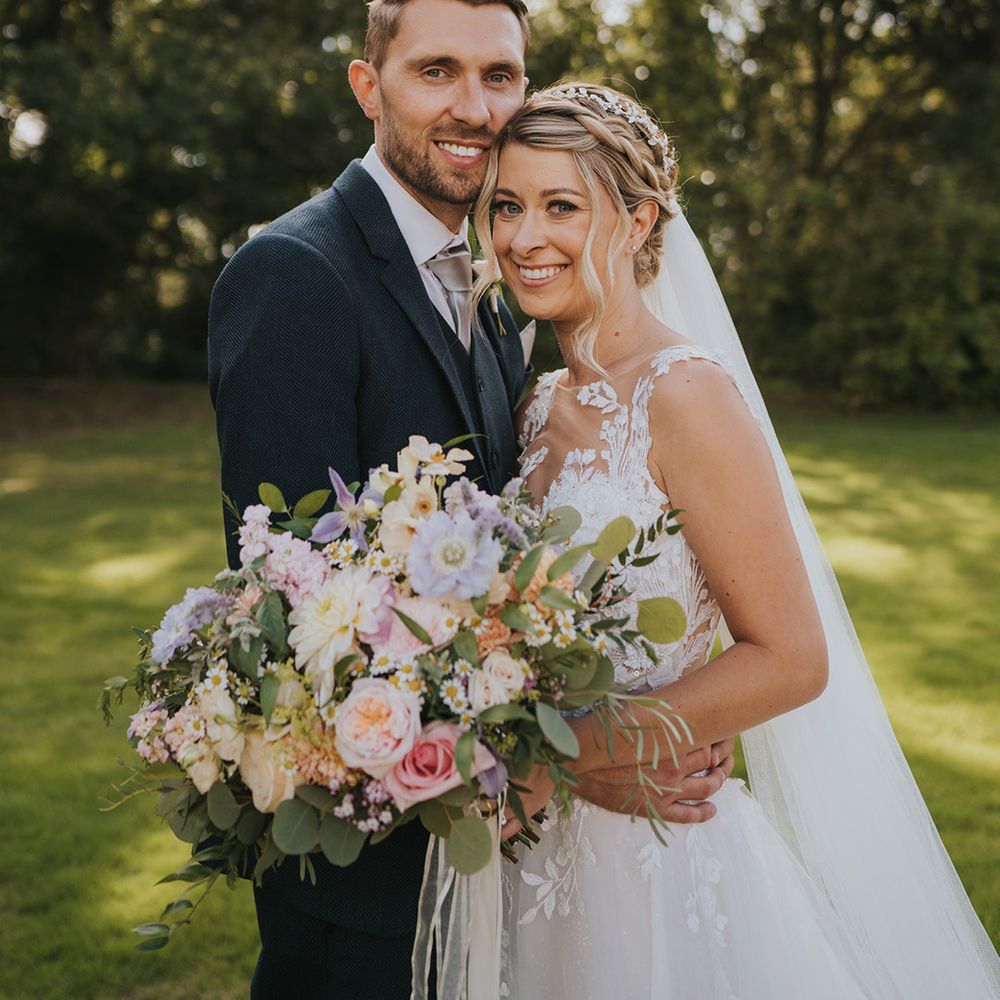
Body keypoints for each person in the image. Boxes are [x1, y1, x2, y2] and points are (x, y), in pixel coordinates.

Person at [207, 3, 733, 993]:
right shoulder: (294, 274)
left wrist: (664, 703)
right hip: (367, 883)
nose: (475, 107)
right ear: (369, 86)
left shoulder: (498, 291)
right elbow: (300, 620)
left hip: (505, 869)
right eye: (436, 70)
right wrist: (586, 759)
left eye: (499, 76)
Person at [473, 83, 1000, 999]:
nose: (523, 237)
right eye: (507, 207)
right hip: (528, 852)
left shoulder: (686, 395)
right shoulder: (535, 402)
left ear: (638, 221)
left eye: (561, 206)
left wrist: (557, 757)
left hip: (652, 864)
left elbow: (791, 659)